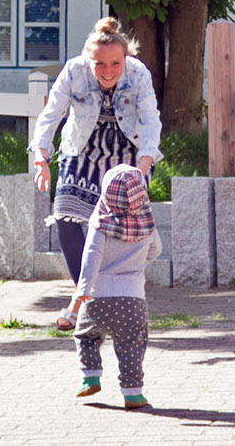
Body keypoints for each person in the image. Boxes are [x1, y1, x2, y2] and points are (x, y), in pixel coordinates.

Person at [30, 16, 161, 330]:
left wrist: (143, 168)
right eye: (99, 64)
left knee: (108, 229)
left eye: (115, 63)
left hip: (128, 153)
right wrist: (40, 155)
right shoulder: (74, 71)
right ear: (88, 59)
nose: (107, 71)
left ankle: (82, 304)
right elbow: (52, 114)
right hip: (82, 148)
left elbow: (150, 120)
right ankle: (84, 296)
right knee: (65, 215)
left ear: (125, 58)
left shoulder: (139, 74)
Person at [68, 164, 161, 411]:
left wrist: (84, 287)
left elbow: (91, 255)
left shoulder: (99, 223)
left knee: (86, 336)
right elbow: (156, 250)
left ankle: (90, 375)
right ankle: (133, 394)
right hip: (133, 299)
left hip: (97, 296)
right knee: (132, 345)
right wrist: (138, 264)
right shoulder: (146, 223)